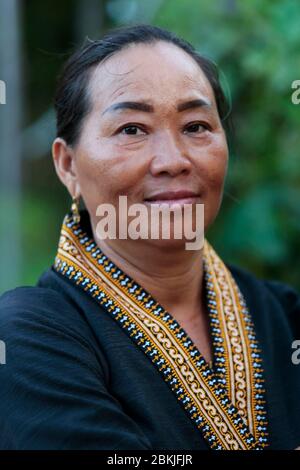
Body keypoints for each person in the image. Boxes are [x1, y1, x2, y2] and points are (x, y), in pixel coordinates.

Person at [0, 24, 299, 451]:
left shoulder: (283, 317)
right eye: (132, 130)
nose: (173, 161)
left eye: (196, 126)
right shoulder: (28, 339)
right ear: (67, 165)